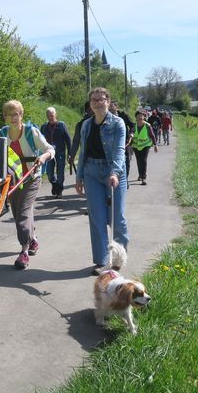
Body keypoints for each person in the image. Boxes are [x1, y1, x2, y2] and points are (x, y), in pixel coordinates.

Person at [75, 87, 129, 276]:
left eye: (101, 99)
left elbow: (119, 150)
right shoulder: (86, 125)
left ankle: (118, 259)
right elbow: (83, 152)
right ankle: (101, 261)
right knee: (96, 218)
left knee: (117, 218)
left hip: (114, 172)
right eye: (94, 100)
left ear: (108, 101)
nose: (98, 102)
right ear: (90, 104)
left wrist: (114, 172)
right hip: (91, 172)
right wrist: (79, 176)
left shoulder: (118, 124)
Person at [0, 100, 54, 269]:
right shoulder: (2, 133)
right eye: (9, 114)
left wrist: (43, 157)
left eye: (16, 114)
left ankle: (24, 251)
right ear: (5, 117)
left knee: (23, 212)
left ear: (21, 115)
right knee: (18, 214)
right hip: (13, 180)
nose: (13, 117)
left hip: (31, 178)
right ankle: (33, 239)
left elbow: (50, 149)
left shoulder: (31, 132)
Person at [41, 107, 71, 198]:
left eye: (52, 115)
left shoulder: (61, 125)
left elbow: (68, 140)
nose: (50, 117)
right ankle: (56, 185)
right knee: (49, 174)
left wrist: (70, 153)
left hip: (60, 152)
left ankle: (59, 191)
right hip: (49, 153)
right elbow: (40, 141)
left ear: (55, 115)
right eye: (48, 115)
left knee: (60, 173)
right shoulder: (44, 127)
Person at [109, 101, 135, 188]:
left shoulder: (123, 115)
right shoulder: (106, 116)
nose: (110, 109)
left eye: (112, 107)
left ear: (117, 107)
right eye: (109, 107)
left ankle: (125, 179)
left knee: (126, 161)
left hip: (125, 143)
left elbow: (132, 125)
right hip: (111, 144)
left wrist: (131, 134)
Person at [131, 110, 158, 185]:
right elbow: (131, 132)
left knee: (143, 160)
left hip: (146, 145)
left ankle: (144, 178)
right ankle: (140, 174)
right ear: (136, 117)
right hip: (136, 146)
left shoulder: (147, 125)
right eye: (138, 116)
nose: (140, 117)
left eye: (141, 116)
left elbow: (152, 135)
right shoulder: (134, 125)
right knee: (138, 160)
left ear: (144, 117)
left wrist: (155, 145)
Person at [68, 101, 93, 170]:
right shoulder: (80, 125)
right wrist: (72, 155)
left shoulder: (101, 122)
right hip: (86, 157)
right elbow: (76, 141)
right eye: (91, 109)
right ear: (87, 110)